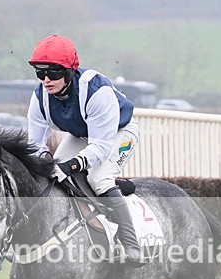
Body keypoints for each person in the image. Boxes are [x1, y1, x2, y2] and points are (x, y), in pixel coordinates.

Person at [26, 33, 144, 265]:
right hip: (81, 134)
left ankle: (131, 243)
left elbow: (100, 147)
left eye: (54, 72)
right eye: (41, 73)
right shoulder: (39, 97)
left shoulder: (96, 91)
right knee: (52, 177)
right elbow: (35, 145)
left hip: (119, 132)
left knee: (99, 177)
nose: (46, 79)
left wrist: (70, 166)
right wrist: (46, 164)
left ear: (69, 71)